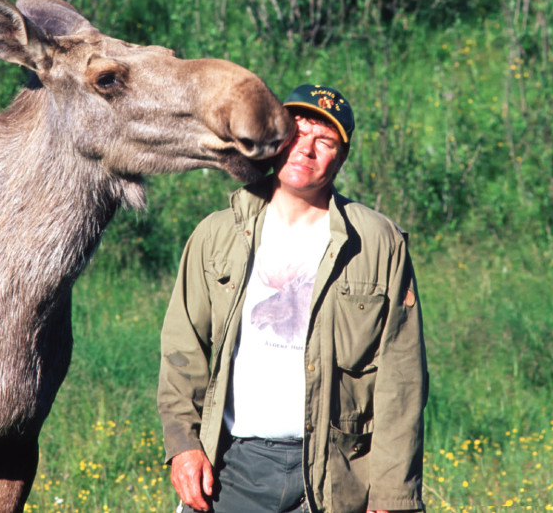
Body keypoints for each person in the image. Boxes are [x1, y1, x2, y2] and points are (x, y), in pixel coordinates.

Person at [157, 84, 428, 513]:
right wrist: (184, 445)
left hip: (337, 475)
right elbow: (182, 349)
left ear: (340, 157)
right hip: (230, 467)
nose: (306, 149)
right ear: (275, 140)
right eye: (297, 134)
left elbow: (402, 375)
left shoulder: (377, 242)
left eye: (325, 141)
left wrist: (391, 492)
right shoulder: (216, 234)